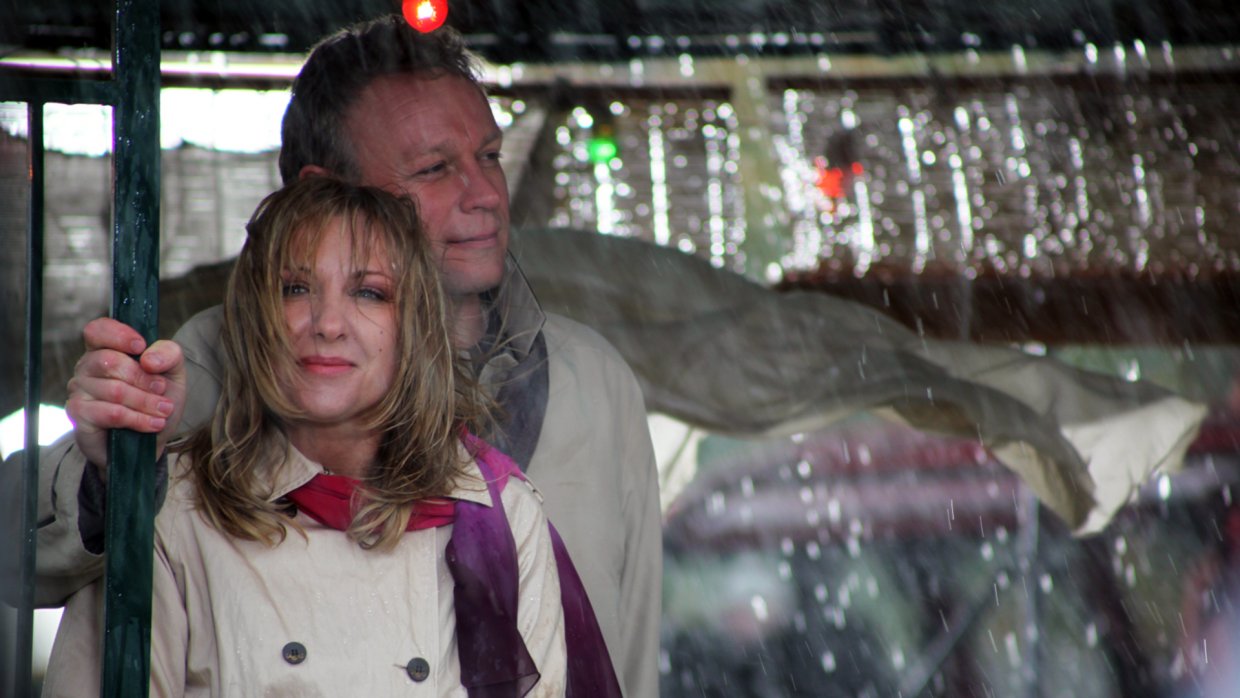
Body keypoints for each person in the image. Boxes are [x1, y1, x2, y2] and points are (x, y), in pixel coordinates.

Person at [27, 16, 661, 697]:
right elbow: (33, 564)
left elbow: (629, 650)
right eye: (434, 168)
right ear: (321, 194)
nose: (484, 195)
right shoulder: (199, 366)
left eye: (490, 156)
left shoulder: (590, 383)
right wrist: (114, 467)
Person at [43, 177, 571, 696]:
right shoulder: (171, 506)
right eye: (295, 289)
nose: (328, 323)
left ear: (415, 327)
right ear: (254, 320)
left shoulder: (497, 513)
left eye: (370, 292)